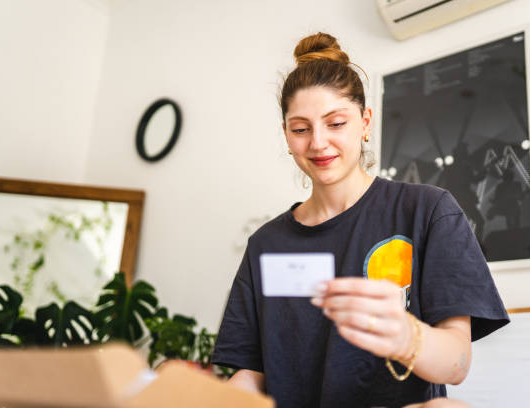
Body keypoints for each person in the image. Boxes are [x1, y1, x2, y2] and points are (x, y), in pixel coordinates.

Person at [211, 32, 509, 408]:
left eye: (335, 123)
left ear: (365, 122)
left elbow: (456, 364)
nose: (318, 143)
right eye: (301, 129)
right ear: (286, 135)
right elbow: (249, 375)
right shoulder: (266, 246)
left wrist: (405, 335)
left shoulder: (427, 211)